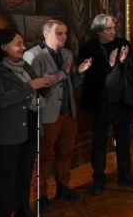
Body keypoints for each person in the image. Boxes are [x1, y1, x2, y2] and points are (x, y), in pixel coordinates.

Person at [23, 20, 92, 207]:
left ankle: (63, 187)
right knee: (45, 156)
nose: (64, 37)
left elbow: (72, 82)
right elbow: (35, 86)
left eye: (65, 33)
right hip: (47, 113)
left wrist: (80, 71)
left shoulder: (67, 53)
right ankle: (41, 195)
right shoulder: (33, 55)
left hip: (68, 112)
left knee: (66, 152)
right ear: (46, 34)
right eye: (59, 33)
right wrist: (61, 74)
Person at [0, 29, 59, 217]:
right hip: (9, 131)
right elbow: (2, 100)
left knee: (25, 173)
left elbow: (37, 89)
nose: (23, 48)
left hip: (31, 124)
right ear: (3, 47)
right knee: (8, 177)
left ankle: (23, 209)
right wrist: (30, 86)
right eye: (18, 44)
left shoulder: (24, 65)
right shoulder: (1, 71)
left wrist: (45, 84)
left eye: (23, 43)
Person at [78, 14, 133, 195]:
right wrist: (109, 64)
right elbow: (87, 76)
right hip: (100, 102)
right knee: (99, 142)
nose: (113, 32)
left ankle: (124, 175)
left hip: (122, 101)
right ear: (99, 31)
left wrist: (123, 62)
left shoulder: (123, 43)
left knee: (123, 141)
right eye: (109, 29)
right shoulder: (88, 47)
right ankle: (98, 178)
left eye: (114, 28)